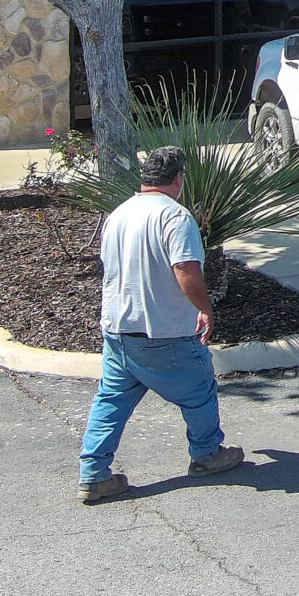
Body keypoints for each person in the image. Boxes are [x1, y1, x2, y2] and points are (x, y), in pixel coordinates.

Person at [76, 145, 245, 504]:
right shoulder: (176, 217)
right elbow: (185, 268)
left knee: (111, 401)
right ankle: (207, 455)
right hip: (165, 330)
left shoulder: (119, 214)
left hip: (119, 329)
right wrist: (205, 308)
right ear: (179, 179)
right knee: (199, 392)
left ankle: (93, 474)